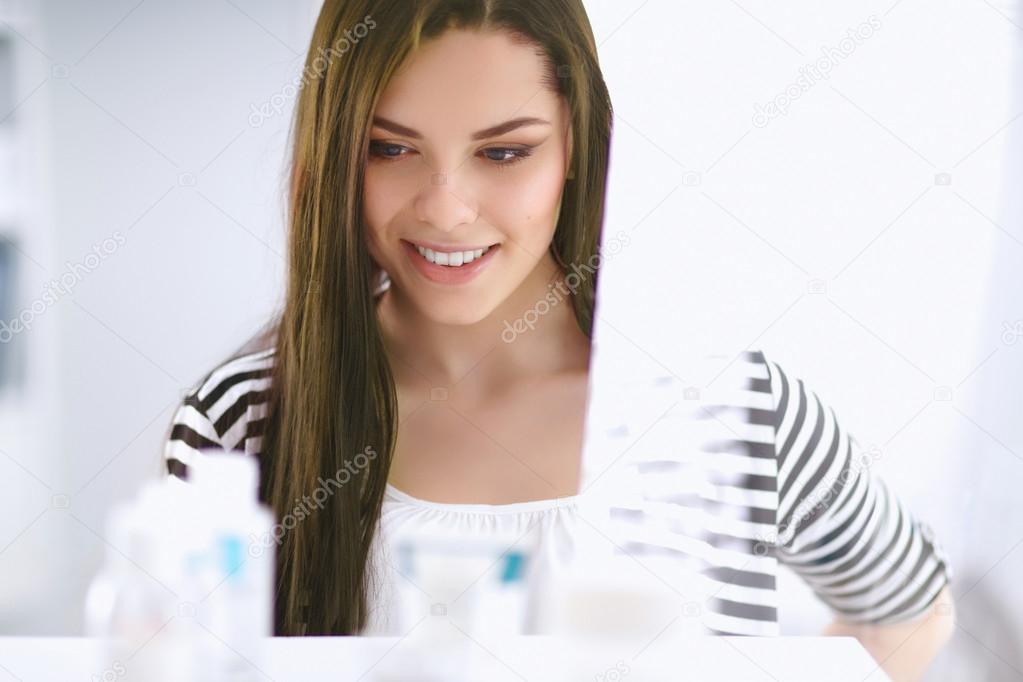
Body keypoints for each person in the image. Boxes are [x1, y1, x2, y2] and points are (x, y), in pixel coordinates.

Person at [161, 1, 954, 679]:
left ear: (579, 147)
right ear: (336, 153)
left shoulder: (735, 413)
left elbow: (907, 614)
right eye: (390, 148)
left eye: (504, 152)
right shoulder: (242, 420)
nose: (446, 209)